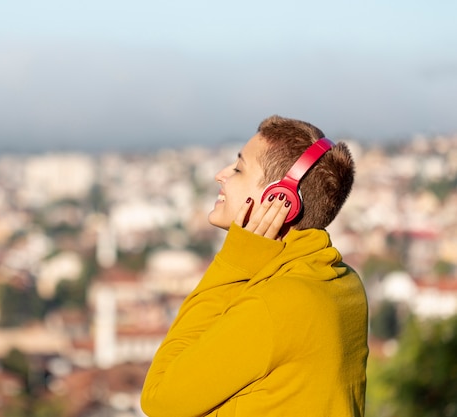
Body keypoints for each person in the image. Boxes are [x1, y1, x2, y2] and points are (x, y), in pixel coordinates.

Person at [140, 115, 368, 416]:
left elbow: (159, 400)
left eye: (238, 169)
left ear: (280, 198)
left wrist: (234, 262)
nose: (220, 175)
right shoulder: (344, 282)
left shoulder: (275, 304)